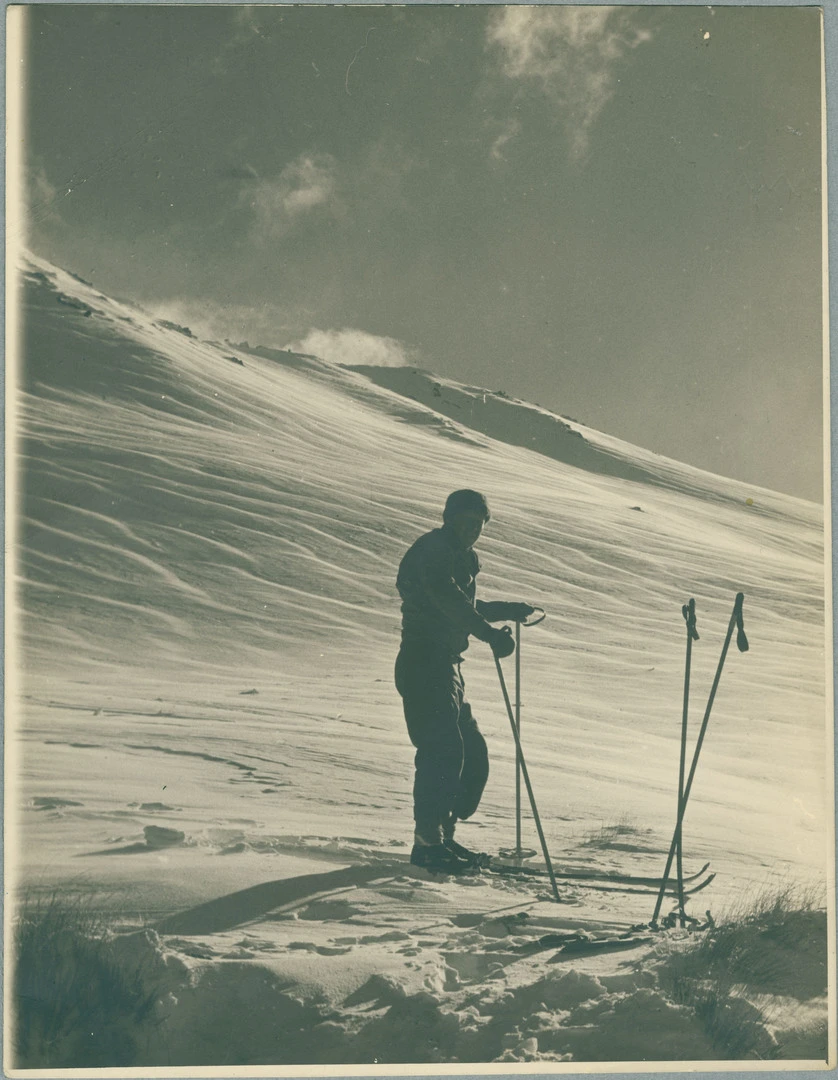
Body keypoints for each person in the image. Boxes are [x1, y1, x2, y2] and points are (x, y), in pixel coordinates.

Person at [395, 489, 535, 874]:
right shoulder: (433, 549)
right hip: (424, 662)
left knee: (470, 752)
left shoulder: (460, 557)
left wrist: (506, 610)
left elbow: (463, 603)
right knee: (442, 749)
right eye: (468, 521)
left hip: (447, 667)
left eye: (480, 524)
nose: (474, 529)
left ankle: (442, 837)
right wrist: (489, 633)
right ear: (450, 518)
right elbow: (445, 598)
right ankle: (427, 844)